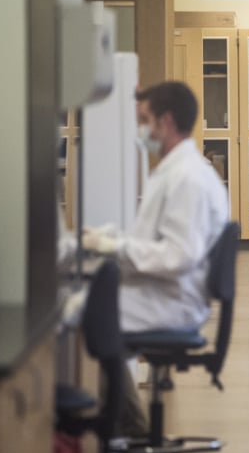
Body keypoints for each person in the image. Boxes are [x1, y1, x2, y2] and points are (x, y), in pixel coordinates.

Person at [83, 81, 229, 434]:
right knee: (88, 310)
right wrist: (110, 240)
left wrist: (114, 248)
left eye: (143, 119)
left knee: (83, 316)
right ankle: (128, 431)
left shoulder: (188, 179)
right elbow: (156, 242)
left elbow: (178, 255)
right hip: (165, 292)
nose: (141, 128)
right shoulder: (174, 171)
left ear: (165, 121)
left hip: (173, 301)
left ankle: (121, 432)